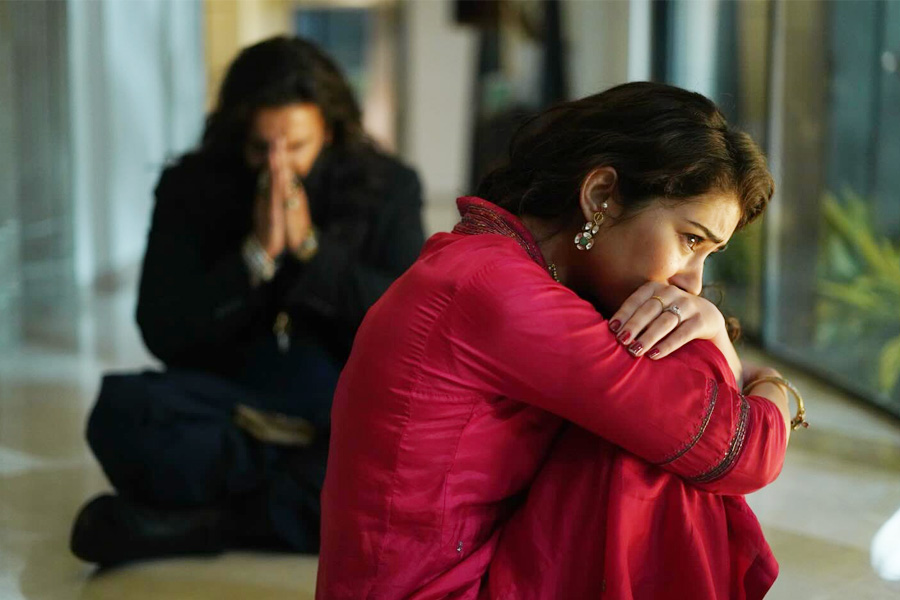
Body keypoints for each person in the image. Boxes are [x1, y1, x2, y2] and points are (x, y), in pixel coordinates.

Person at [316, 82, 800, 599]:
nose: (693, 283)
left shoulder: (488, 260)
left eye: (708, 254)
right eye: (690, 239)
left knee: (663, 387)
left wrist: (716, 339)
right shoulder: (502, 293)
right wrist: (773, 385)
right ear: (601, 196)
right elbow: (743, 451)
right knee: (665, 430)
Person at [70, 35, 425, 564]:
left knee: (414, 452)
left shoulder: (390, 187)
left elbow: (407, 329)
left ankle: (196, 525)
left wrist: (310, 250)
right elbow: (162, 329)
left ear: (329, 131)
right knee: (123, 416)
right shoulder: (189, 186)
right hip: (232, 402)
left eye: (296, 146)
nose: (277, 165)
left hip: (340, 406)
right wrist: (254, 257)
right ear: (238, 135)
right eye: (261, 149)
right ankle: (295, 505)